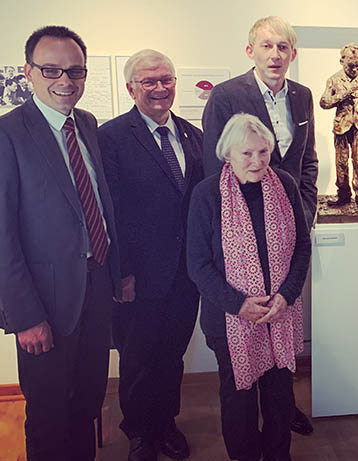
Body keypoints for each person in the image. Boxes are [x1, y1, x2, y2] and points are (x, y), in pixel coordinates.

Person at [0, 25, 123, 460]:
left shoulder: (86, 124)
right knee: (50, 414)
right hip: (45, 304)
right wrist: (25, 316)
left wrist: (116, 275)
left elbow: (101, 206)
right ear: (29, 73)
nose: (65, 81)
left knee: (88, 403)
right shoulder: (8, 133)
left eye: (75, 71)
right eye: (51, 70)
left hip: (95, 290)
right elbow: (3, 236)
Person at [201, 15, 317, 434]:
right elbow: (215, 166)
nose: (275, 54)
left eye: (283, 47)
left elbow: (307, 162)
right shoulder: (227, 95)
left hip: (287, 232)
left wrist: (303, 214)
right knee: (239, 374)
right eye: (267, 46)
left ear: (292, 54)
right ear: (251, 51)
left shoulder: (302, 97)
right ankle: (248, 426)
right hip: (240, 238)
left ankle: (283, 410)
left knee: (282, 332)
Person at [97, 49, 204, 461]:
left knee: (172, 356)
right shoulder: (111, 138)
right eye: (149, 81)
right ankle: (140, 433)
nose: (160, 88)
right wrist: (120, 273)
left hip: (185, 276)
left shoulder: (194, 136)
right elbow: (110, 211)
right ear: (131, 88)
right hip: (137, 277)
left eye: (167, 80)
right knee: (138, 360)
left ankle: (166, 424)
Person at [187, 113, 311, 461]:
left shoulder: (284, 184)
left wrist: (286, 295)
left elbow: (302, 246)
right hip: (229, 320)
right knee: (238, 399)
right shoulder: (207, 194)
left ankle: (277, 455)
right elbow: (197, 264)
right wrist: (239, 304)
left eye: (262, 152)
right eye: (246, 154)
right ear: (228, 154)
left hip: (280, 314)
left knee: (279, 397)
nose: (256, 162)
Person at [319, 43, 358, 212]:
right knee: (341, 162)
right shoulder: (334, 80)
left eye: (357, 62)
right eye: (351, 63)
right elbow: (324, 102)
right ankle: (343, 194)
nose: (355, 66)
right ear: (342, 61)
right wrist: (343, 95)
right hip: (342, 126)